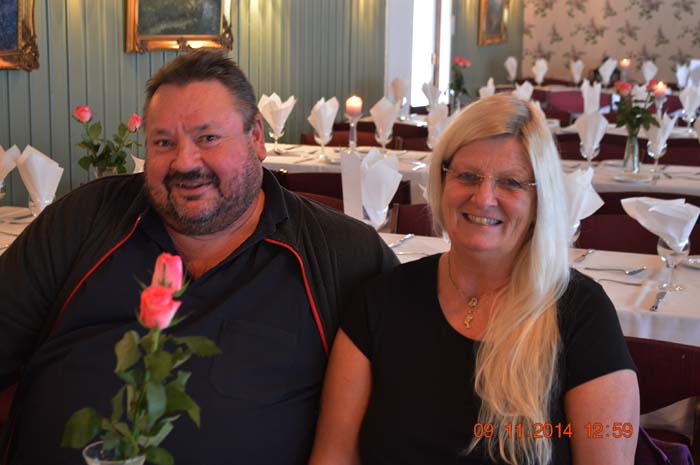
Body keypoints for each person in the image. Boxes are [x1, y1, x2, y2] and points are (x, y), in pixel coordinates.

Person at [0, 49, 397, 464]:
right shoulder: (82, 222)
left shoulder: (341, 255)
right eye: (164, 142)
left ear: (256, 137)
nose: (185, 163)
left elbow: (409, 410)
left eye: (208, 138)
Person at [308, 94, 640, 465]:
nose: (483, 198)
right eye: (467, 176)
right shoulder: (381, 300)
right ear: (441, 181)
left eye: (510, 182)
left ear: (539, 200)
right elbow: (334, 455)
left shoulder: (582, 314)